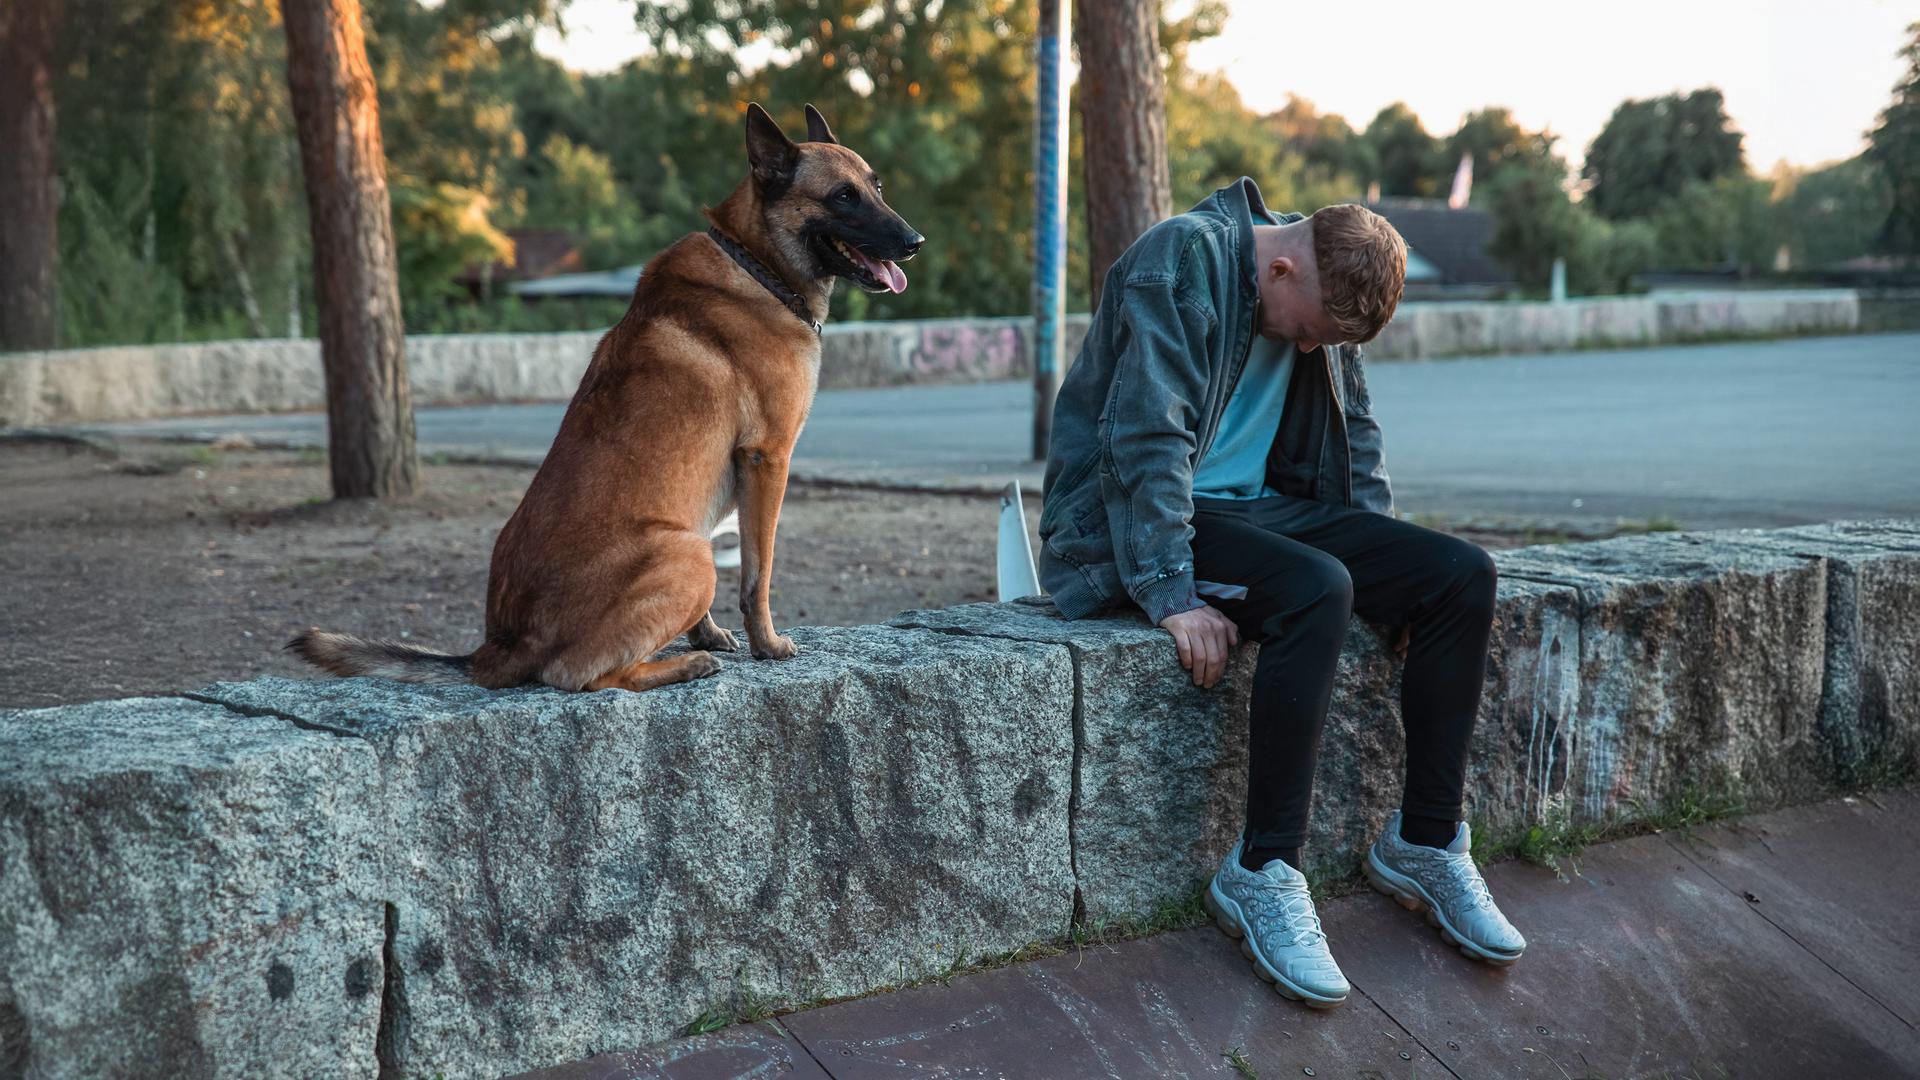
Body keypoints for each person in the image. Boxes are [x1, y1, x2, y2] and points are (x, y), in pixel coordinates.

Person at [1036, 177, 1525, 1009]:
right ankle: (1262, 869)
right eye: (1312, 333)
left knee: (1460, 576)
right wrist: (1171, 592)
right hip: (1140, 524)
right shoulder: (1181, 259)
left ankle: (1427, 840)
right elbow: (1146, 437)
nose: (1310, 351)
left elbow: (1356, 438)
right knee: (1316, 590)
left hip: (1265, 513)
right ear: (1287, 267)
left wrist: (1391, 583)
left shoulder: (1324, 297)